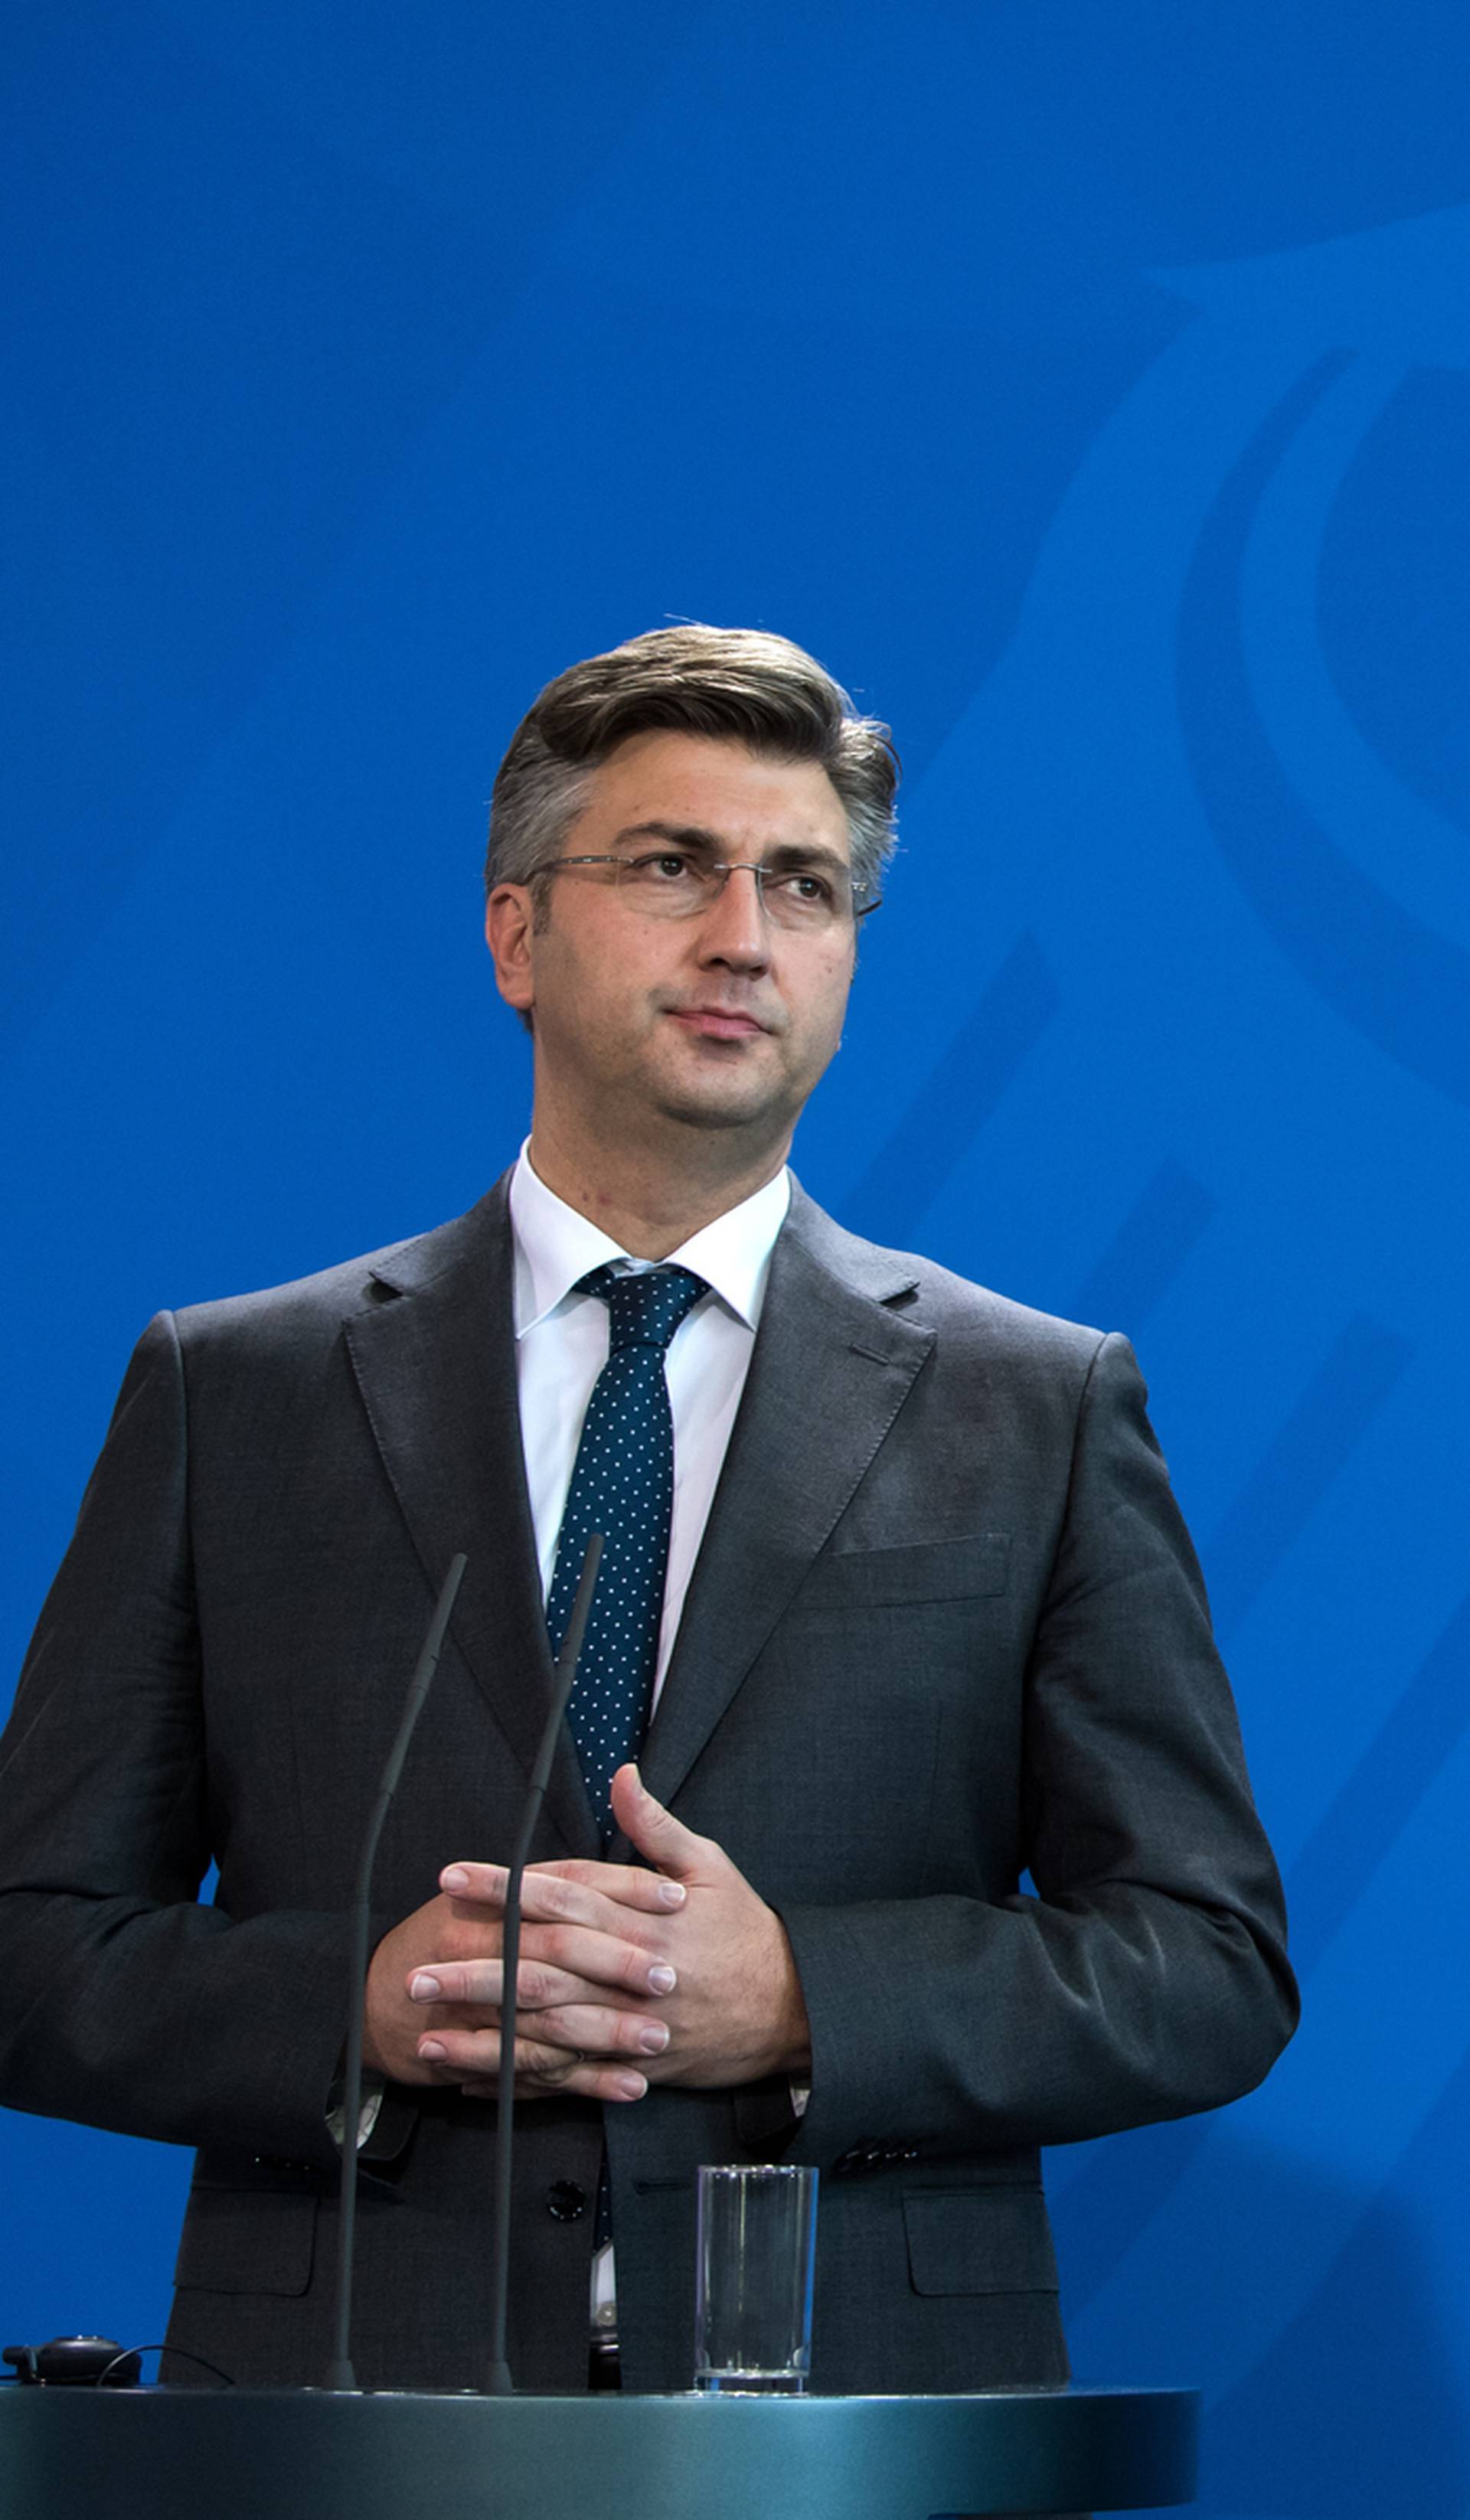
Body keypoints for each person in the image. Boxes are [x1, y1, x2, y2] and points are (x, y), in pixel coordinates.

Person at [0, 627, 1297, 2398]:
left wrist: (804, 1998)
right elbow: (31, 1938)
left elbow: (1206, 1957)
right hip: (353, 2428)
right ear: (516, 932)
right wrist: (361, 2006)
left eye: (808, 885)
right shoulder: (237, 1392)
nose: (745, 936)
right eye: (673, 865)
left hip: (854, 2433)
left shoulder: (1042, 1404)